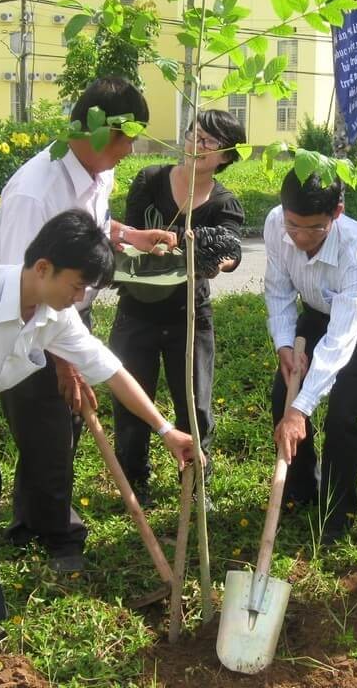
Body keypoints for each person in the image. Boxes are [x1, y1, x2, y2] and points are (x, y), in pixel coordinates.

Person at [0, 210, 198, 645]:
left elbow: (109, 369)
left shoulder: (52, 311)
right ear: (43, 268)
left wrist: (165, 429)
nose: (80, 296)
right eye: (77, 285)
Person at [0, 77, 177, 574]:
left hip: (70, 311)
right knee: (48, 426)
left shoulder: (98, 171)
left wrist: (129, 235)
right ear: (98, 130)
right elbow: (21, 285)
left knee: (62, 427)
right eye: (127, 137)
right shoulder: (35, 192)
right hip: (28, 324)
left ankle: (31, 520)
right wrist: (62, 359)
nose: (130, 149)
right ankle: (58, 539)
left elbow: (91, 226)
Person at [111, 110, 247, 507]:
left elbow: (230, 251)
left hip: (189, 317)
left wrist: (215, 258)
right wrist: (158, 243)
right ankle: (135, 482)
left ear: (226, 156)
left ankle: (195, 483)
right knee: (133, 402)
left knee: (196, 405)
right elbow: (132, 233)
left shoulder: (224, 203)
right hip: (136, 308)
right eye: (194, 134)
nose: (197, 144)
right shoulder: (150, 179)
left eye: (209, 141)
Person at [265, 169, 357, 545]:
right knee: (282, 395)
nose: (302, 237)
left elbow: (341, 337)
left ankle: (337, 511)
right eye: (294, 225)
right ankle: (302, 487)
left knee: (342, 410)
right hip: (315, 306)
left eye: (315, 228)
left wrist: (302, 409)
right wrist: (285, 346)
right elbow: (277, 292)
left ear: (337, 213)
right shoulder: (276, 224)